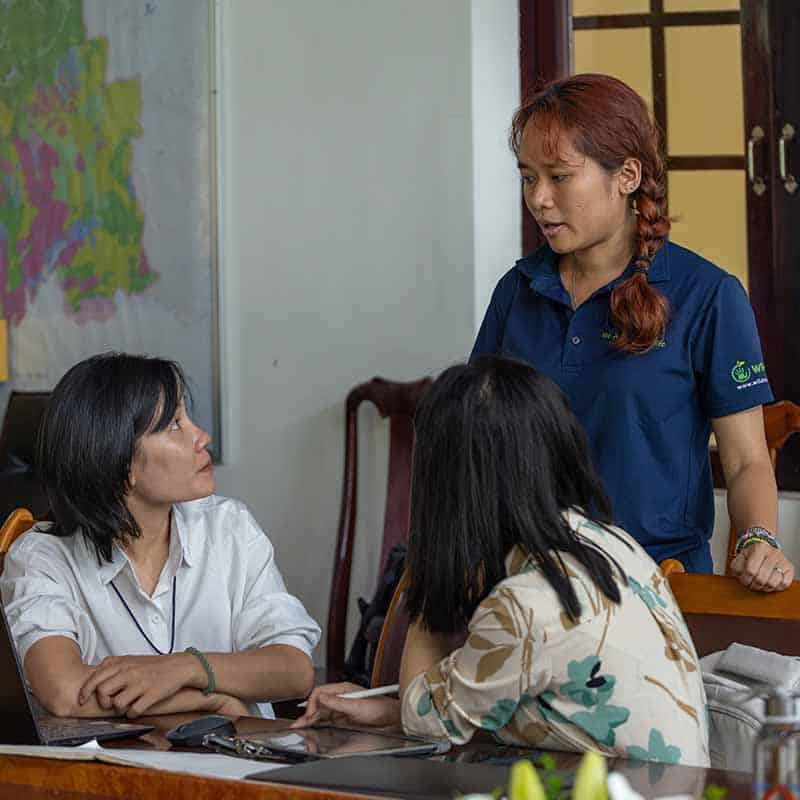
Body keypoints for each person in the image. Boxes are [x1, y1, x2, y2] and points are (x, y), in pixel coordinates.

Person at [296, 356, 710, 766]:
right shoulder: (615, 547)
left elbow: (429, 722)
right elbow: (503, 705)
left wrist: (433, 567)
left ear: (447, 483)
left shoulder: (525, 603)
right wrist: (390, 711)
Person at [471, 73, 792, 591]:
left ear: (626, 176)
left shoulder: (707, 296)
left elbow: (747, 459)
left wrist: (759, 538)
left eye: (558, 176)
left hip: (656, 585)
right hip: (525, 584)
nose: (539, 199)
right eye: (528, 177)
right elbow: (476, 445)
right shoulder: (518, 291)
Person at [0, 353, 320, 719]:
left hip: (240, 763)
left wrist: (187, 668)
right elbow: (64, 691)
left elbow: (294, 668)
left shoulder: (228, 527)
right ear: (121, 463)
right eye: (174, 425)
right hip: (123, 771)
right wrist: (210, 699)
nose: (202, 437)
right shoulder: (42, 557)